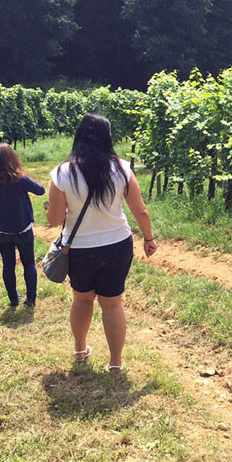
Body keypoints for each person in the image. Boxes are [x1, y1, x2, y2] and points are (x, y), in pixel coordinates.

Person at [46, 114, 156, 368]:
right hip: (117, 245)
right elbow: (141, 211)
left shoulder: (63, 172)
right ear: (107, 137)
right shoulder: (121, 168)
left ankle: (79, 350)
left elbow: (53, 220)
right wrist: (148, 239)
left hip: (80, 249)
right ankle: (116, 362)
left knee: (82, 299)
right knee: (112, 303)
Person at [0, 143, 46, 308]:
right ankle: (30, 300)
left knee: (8, 265)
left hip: (1, 231)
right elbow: (41, 190)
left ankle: (13, 299)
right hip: (23, 229)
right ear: (13, 158)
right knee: (28, 262)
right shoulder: (20, 179)